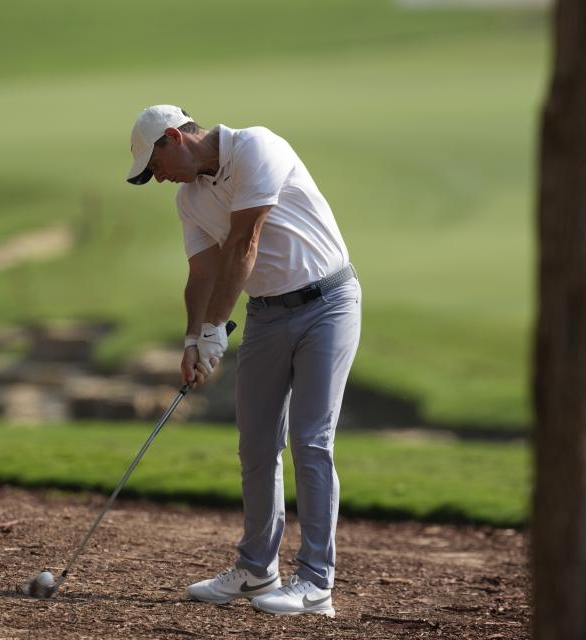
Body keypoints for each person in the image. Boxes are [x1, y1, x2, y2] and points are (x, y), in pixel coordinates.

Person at [125, 105, 361, 617]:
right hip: (267, 315)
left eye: (155, 165)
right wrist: (193, 340)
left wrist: (215, 330)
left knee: (311, 441)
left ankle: (317, 582)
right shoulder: (189, 199)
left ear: (173, 138)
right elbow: (202, 274)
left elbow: (244, 243)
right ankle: (257, 570)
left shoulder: (256, 145)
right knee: (256, 443)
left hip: (327, 304)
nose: (158, 177)